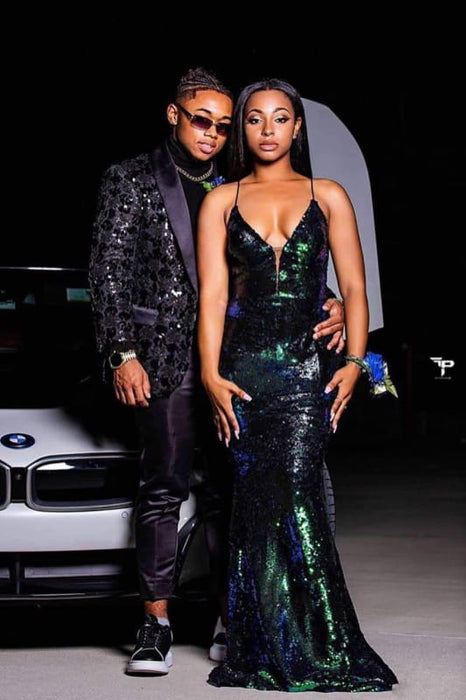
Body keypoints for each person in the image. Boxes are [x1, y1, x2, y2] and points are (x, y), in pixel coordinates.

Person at [88, 67, 345, 677]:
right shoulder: (130, 178)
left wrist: (329, 300)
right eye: (201, 120)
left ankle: (236, 617)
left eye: (223, 126)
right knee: (164, 486)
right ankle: (155, 624)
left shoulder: (235, 187)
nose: (211, 134)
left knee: (236, 489)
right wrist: (121, 352)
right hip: (162, 361)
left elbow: (269, 265)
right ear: (173, 114)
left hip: (239, 359)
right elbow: (108, 270)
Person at [197, 78, 398, 692]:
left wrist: (355, 362)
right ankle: (261, 644)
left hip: (307, 371)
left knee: (300, 496)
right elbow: (213, 298)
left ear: (297, 127)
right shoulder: (221, 201)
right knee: (254, 508)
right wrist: (210, 374)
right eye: (255, 118)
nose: (267, 129)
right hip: (245, 372)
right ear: (243, 128)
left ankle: (322, 643)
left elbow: (355, 289)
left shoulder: (328, 194)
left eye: (280, 118)